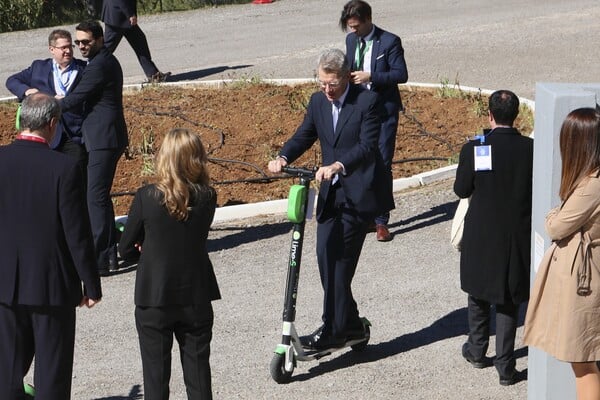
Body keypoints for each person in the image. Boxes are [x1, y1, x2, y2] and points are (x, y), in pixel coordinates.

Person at [268, 48, 394, 350]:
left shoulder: (367, 101)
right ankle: (351, 326)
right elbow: (304, 134)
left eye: (332, 84)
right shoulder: (317, 103)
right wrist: (283, 156)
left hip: (359, 195)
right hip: (330, 196)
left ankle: (332, 330)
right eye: (322, 83)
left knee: (340, 265)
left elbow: (367, 147)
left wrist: (339, 165)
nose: (326, 89)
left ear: (346, 76)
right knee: (326, 259)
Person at [0, 93, 102, 399]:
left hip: (4, 283)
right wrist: (91, 284)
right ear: (53, 124)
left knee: (6, 372)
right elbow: (77, 234)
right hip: (51, 284)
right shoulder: (64, 168)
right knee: (52, 374)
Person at [119, 128, 221, 400]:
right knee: (199, 377)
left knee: (156, 378)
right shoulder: (208, 197)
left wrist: (146, 250)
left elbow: (125, 248)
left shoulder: (147, 197)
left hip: (155, 294)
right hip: (196, 293)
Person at [454, 90, 532, 386]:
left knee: (478, 292)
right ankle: (506, 366)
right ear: (518, 116)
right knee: (509, 300)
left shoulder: (476, 148)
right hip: (516, 234)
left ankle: (476, 350)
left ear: (489, 115)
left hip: (481, 233)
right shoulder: (531, 148)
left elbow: (462, 190)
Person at [524, 108, 600, 400]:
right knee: (583, 359)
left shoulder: (591, 186)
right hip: (587, 273)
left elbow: (556, 226)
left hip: (585, 280)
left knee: (582, 362)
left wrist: (554, 214)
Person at [60, 20, 129, 276]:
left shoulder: (101, 65)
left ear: (99, 39)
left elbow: (76, 99)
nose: (81, 47)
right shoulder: (101, 62)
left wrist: (47, 107)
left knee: (94, 197)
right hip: (103, 138)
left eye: (85, 42)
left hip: (104, 139)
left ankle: (99, 260)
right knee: (99, 197)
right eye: (78, 43)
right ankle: (109, 255)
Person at [339, 0, 408, 242]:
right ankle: (365, 214)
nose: (353, 31)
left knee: (382, 162)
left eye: (356, 26)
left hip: (383, 111)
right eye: (350, 27)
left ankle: (381, 221)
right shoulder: (351, 40)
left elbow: (401, 74)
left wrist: (372, 76)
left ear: (368, 20)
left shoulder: (389, 41)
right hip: (359, 110)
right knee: (359, 161)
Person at [5, 29, 88, 176]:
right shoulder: (39, 68)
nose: (68, 51)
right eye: (63, 48)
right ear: (52, 49)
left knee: (76, 177)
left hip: (74, 135)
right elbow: (12, 81)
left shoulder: (84, 69)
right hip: (46, 135)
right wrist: (27, 91)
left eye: (70, 47)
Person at [101, 0, 170, 83]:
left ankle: (154, 75)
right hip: (117, 15)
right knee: (106, 49)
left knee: (140, 42)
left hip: (123, 16)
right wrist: (129, 14)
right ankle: (89, 72)